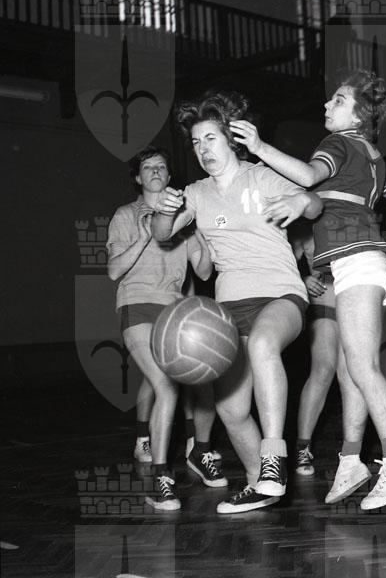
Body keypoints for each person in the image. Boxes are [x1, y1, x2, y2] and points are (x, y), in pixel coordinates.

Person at [229, 69, 386, 510]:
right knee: (351, 369)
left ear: (358, 114)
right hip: (366, 261)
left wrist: (259, 147)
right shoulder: (372, 154)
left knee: (362, 368)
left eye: (337, 100)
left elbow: (307, 175)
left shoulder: (337, 143)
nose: (326, 105)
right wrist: (369, 189)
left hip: (358, 260)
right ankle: (351, 461)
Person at [152, 90, 323, 513]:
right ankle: (257, 484)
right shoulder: (196, 192)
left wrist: (300, 200)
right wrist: (165, 209)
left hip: (280, 293)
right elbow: (161, 234)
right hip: (229, 309)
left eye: (210, 138)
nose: (203, 149)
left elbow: (314, 203)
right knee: (231, 409)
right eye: (196, 142)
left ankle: (274, 456)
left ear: (231, 139)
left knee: (264, 344)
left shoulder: (260, 176)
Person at [107, 146, 226, 512]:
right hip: (137, 304)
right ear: (138, 178)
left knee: (205, 381)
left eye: (161, 166)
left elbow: (203, 271)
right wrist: (145, 235)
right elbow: (113, 270)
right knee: (165, 385)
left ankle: (199, 452)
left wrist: (198, 233)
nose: (156, 171)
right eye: (148, 167)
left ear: (169, 176)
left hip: (175, 310)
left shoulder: (183, 219)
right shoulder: (126, 215)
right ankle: (161, 478)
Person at [291, 229, 386, 477]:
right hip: (326, 301)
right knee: (324, 368)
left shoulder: (353, 217)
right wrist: (301, 280)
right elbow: (282, 262)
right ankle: (302, 446)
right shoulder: (304, 225)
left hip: (361, 298)